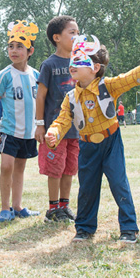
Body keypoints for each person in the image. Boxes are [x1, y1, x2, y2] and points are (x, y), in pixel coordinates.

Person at [47, 35, 140, 243]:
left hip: (111, 141)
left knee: (118, 183)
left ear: (95, 68)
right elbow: (62, 120)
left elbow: (129, 78)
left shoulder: (108, 86)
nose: (73, 65)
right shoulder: (70, 97)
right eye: (72, 60)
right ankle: (84, 229)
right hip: (86, 146)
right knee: (87, 187)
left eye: (79, 60)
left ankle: (129, 229)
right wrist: (54, 133)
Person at [0, 21, 42, 223]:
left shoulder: (36, 75)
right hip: (9, 131)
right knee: (6, 167)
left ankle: (17, 206)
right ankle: (5, 208)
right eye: (11, 46)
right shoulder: (5, 75)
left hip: (29, 133)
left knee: (20, 168)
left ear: (30, 51)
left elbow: (42, 101)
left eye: (20, 46)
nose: (14, 50)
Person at [33, 15, 79, 223]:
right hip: (54, 129)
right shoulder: (49, 65)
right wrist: (40, 125)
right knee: (55, 169)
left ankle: (64, 206)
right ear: (57, 37)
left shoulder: (81, 62)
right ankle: (52, 209)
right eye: (72, 33)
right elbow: (41, 96)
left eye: (78, 33)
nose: (76, 37)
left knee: (70, 168)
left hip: (76, 129)